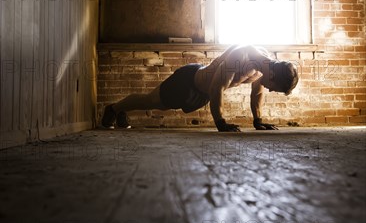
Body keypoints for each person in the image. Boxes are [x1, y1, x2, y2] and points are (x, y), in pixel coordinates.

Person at [101, 44, 299, 132]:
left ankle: (120, 110)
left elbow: (257, 94)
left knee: (156, 104)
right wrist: (220, 122)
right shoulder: (242, 56)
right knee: (151, 102)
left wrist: (258, 120)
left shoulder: (262, 70)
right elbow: (217, 88)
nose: (271, 91)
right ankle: (114, 109)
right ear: (273, 75)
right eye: (275, 88)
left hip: (202, 93)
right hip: (188, 81)